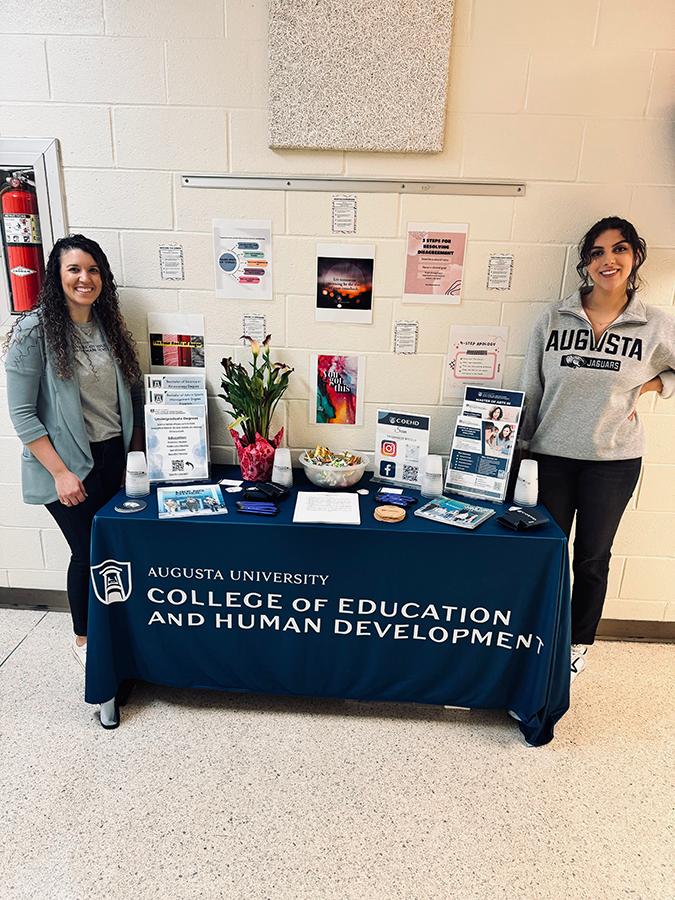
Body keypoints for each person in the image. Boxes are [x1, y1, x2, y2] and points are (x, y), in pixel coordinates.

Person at [520, 217, 675, 682]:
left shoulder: (656, 324)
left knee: (591, 558)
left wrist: (656, 383)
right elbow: (531, 386)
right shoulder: (554, 317)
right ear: (586, 263)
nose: (609, 260)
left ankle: (578, 642)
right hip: (551, 456)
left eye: (620, 250)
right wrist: (519, 450)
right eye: (598, 252)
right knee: (546, 551)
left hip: (613, 461)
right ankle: (537, 633)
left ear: (635, 257)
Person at [4, 234, 144, 670]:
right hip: (66, 466)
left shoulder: (108, 326)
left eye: (93, 270)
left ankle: (117, 633)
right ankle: (84, 644)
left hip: (112, 460)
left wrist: (132, 460)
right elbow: (23, 414)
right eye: (74, 269)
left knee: (114, 551)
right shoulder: (34, 330)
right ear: (56, 276)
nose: (85, 279)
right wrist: (62, 474)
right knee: (87, 553)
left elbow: (134, 400)